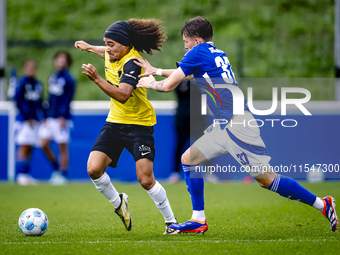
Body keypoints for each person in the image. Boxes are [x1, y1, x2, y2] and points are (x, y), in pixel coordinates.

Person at [135, 16, 338, 233]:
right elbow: (188, 75)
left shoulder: (197, 52)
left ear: (196, 40)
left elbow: (168, 87)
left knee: (267, 180)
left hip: (237, 126)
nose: (184, 46)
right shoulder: (216, 53)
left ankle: (321, 204)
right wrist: (156, 71)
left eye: (186, 41)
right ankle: (198, 219)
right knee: (189, 160)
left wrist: (151, 84)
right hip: (227, 125)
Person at [74, 18, 178, 234]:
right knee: (93, 169)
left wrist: (96, 79)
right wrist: (91, 47)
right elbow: (105, 51)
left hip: (139, 125)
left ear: (125, 44)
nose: (108, 49)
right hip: (115, 123)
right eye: (106, 43)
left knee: (146, 179)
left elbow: (123, 94)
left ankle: (171, 223)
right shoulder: (113, 52)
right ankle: (119, 203)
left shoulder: (133, 62)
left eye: (111, 44)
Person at [39, 51, 76, 185]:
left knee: (62, 147)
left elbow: (67, 99)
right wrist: (44, 115)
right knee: (43, 144)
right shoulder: (53, 76)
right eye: (59, 58)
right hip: (49, 117)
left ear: (67, 61)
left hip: (61, 119)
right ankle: (56, 169)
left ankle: (63, 174)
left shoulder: (69, 78)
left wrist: (63, 116)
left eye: (63, 59)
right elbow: (50, 98)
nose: (61, 61)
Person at [14, 60, 45, 185]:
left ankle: (26, 174)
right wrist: (27, 117)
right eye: (29, 67)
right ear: (24, 68)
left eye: (33, 67)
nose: (31, 70)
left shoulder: (38, 84)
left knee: (31, 147)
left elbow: (40, 102)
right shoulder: (22, 83)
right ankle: (21, 174)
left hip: (35, 120)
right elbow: (17, 100)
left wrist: (42, 117)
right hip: (24, 121)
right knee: (23, 145)